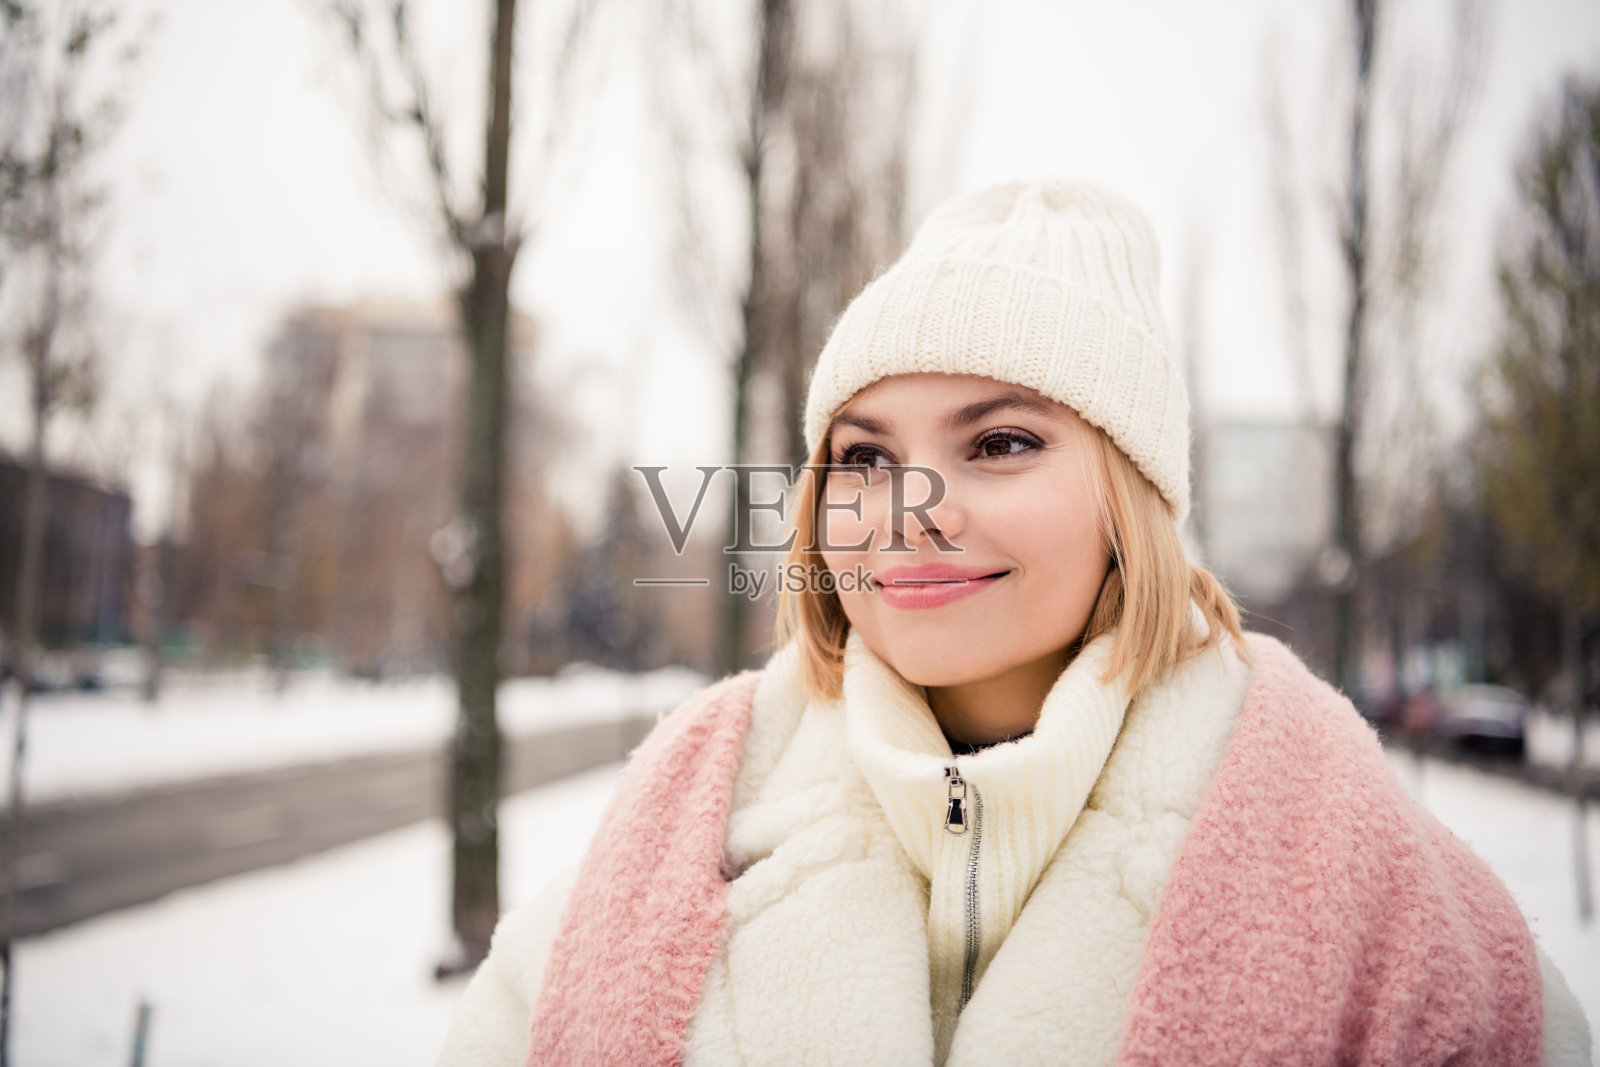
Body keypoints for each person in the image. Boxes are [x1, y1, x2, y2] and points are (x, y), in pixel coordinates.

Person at [437, 180, 1591, 1066]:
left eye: (999, 442)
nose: (907, 513)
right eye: (863, 454)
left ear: (1129, 497)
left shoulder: (1360, 878)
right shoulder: (685, 819)